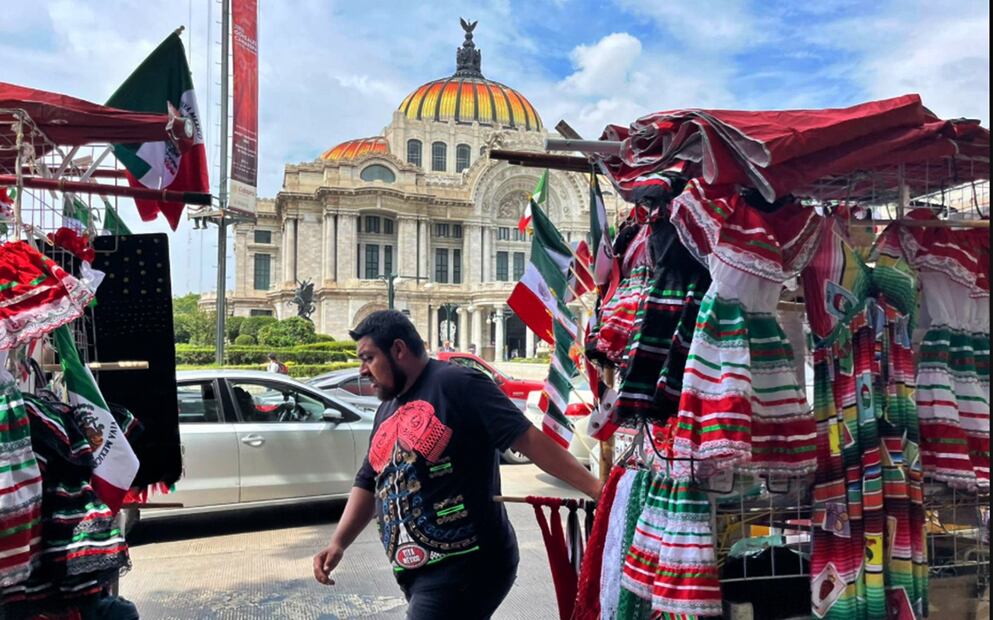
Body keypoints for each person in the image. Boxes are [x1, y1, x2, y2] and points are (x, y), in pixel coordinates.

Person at [313, 310, 600, 619]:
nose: (363, 370)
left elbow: (527, 440)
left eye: (368, 358)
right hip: (418, 575)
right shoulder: (387, 409)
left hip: (468, 566)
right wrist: (339, 542)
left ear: (398, 350)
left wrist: (598, 490)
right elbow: (369, 480)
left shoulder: (458, 382)